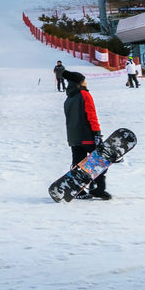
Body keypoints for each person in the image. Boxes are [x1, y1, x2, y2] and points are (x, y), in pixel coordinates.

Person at [62, 71, 110, 200]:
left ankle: (78, 189)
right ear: (79, 83)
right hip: (87, 135)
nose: (86, 82)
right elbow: (91, 115)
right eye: (84, 80)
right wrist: (97, 134)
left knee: (78, 163)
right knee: (99, 160)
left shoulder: (68, 98)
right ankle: (98, 188)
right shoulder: (84, 94)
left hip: (74, 137)